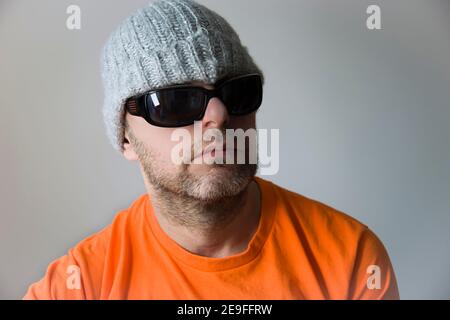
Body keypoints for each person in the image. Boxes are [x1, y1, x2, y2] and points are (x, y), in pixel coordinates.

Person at [24, 0, 399, 300]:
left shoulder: (349, 259)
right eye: (175, 101)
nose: (217, 117)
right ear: (125, 138)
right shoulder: (80, 285)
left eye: (237, 92)